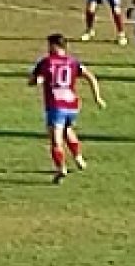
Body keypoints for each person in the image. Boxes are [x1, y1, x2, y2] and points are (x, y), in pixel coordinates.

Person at [29, 33, 105, 184]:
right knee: (67, 130)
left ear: (54, 46)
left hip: (55, 105)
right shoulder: (73, 62)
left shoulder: (46, 62)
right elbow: (90, 77)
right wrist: (97, 97)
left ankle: (61, 168)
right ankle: (78, 158)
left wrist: (37, 80)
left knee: (56, 140)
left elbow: (32, 81)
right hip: (71, 105)